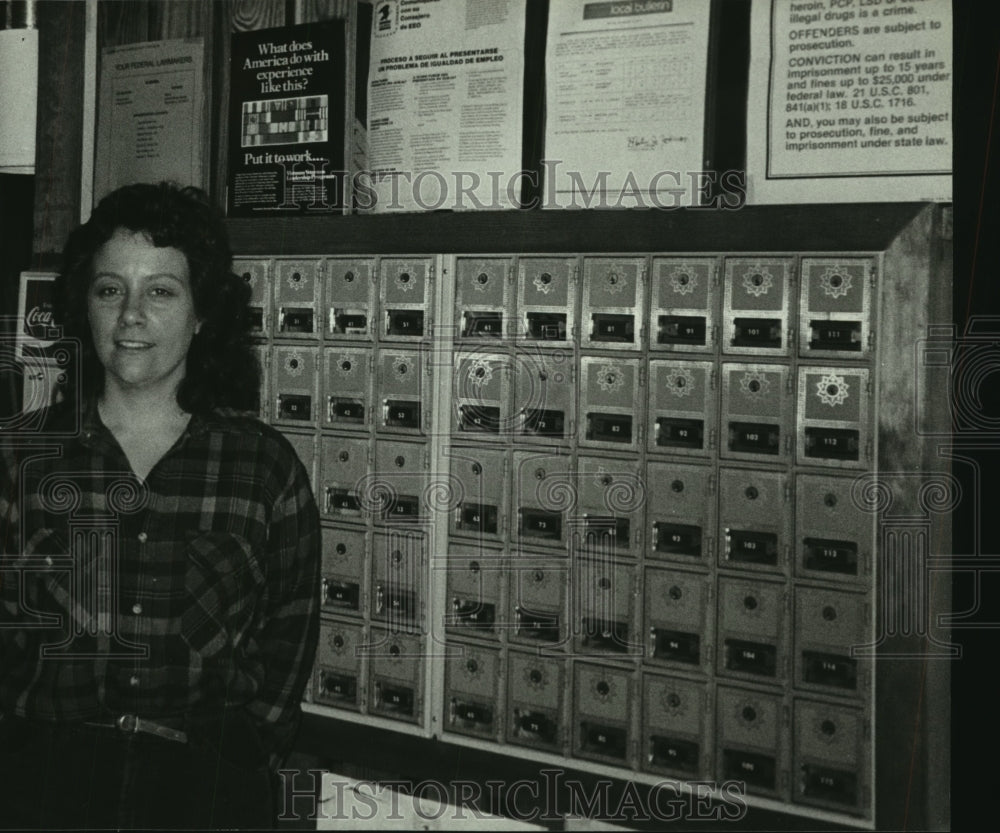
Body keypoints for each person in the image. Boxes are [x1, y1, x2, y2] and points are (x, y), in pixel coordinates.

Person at [0, 182, 321, 829]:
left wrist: (238, 756)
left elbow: (288, 637)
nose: (131, 314)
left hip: (203, 788)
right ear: (83, 306)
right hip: (42, 784)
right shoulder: (18, 456)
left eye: (161, 290)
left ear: (203, 313)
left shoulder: (263, 468)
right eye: (110, 288)